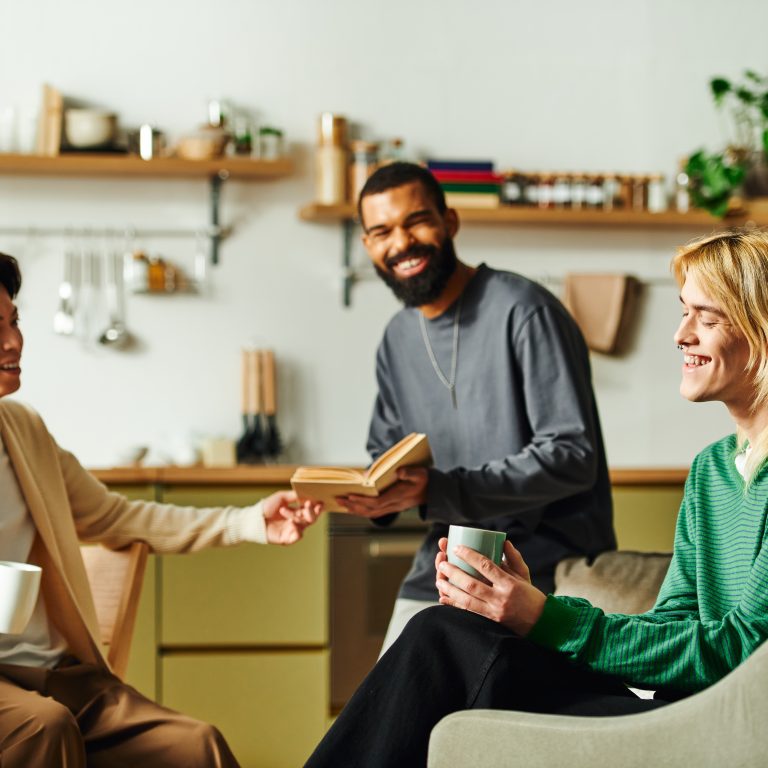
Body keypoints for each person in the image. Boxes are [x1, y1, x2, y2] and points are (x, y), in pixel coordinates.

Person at [304, 227, 768, 768]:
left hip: (718, 729)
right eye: (683, 312)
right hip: (670, 707)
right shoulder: (712, 469)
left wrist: (547, 619)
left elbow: (740, 651)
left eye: (707, 318)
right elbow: (675, 625)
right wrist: (527, 609)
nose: (681, 335)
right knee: (443, 631)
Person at [0, 252, 322, 768]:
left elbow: (118, 516)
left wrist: (245, 521)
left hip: (59, 677)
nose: (14, 341)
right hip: (23, 707)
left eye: (14, 321)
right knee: (46, 728)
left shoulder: (24, 429)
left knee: (196, 746)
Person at [337, 162, 615, 652]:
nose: (400, 243)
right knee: (388, 708)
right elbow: (387, 455)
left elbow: (572, 456)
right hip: (445, 565)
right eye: (382, 231)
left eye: (416, 221)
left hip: (541, 567)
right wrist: (376, 496)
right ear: (367, 246)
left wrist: (442, 489)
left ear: (450, 222)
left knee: (471, 716)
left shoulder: (525, 310)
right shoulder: (396, 339)